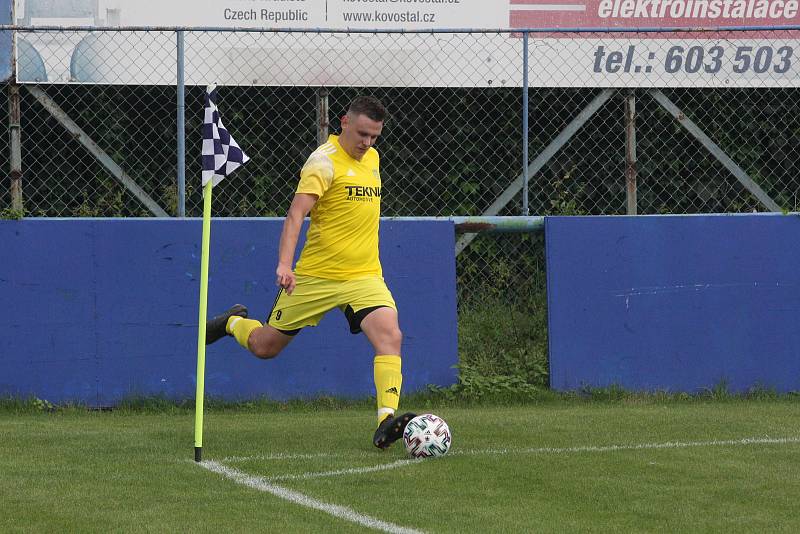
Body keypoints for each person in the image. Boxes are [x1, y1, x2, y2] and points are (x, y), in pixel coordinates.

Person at [205, 96, 415, 450]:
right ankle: (232, 323)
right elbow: (295, 215)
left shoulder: (374, 160)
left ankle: (385, 421)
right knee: (265, 346)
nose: (367, 143)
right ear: (344, 122)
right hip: (315, 277)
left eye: (375, 137)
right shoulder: (323, 162)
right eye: (362, 134)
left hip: (364, 276)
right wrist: (285, 265)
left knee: (390, 336)